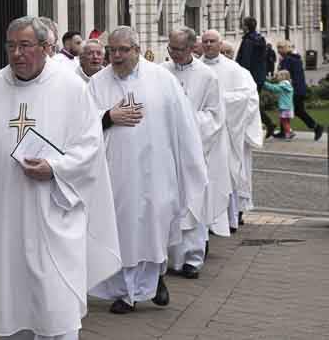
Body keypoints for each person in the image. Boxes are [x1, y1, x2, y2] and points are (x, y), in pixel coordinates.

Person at [0, 16, 121, 339]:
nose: (17, 53)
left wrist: (55, 168)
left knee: (56, 308)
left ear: (46, 48)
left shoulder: (71, 88)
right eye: (11, 46)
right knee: (10, 305)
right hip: (4, 218)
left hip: (52, 213)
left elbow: (89, 148)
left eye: (25, 45)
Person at [88, 26, 207, 315]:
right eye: (112, 50)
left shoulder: (162, 79)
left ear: (137, 50)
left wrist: (190, 163)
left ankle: (154, 278)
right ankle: (127, 292)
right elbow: (81, 124)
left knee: (153, 228)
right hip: (115, 173)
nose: (116, 56)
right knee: (123, 230)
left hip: (156, 170)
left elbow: (184, 124)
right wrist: (108, 116)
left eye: (123, 50)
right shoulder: (97, 83)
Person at [162, 27, 232, 278]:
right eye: (171, 48)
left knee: (193, 202)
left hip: (194, 151)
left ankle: (193, 258)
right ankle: (169, 257)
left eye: (179, 49)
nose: (174, 54)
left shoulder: (207, 76)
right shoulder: (162, 72)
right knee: (168, 203)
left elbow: (214, 115)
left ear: (193, 48)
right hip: (166, 150)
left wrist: (187, 121)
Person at [200, 30, 262, 231]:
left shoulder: (236, 70)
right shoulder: (196, 68)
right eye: (205, 41)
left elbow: (248, 98)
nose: (209, 45)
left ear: (220, 44)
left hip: (229, 133)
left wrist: (220, 102)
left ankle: (231, 218)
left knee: (228, 173)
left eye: (212, 41)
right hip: (204, 132)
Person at [236, 17, 277, 138]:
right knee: (253, 102)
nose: (241, 26)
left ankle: (267, 124)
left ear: (246, 27)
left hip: (250, 77)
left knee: (250, 103)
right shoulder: (260, 39)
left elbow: (246, 61)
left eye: (242, 24)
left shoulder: (248, 41)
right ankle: (267, 124)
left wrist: (240, 75)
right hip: (259, 76)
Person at [277, 40, 323, 141]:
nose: (278, 50)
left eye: (280, 48)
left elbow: (284, 75)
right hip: (299, 88)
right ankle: (284, 131)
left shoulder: (287, 60)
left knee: (296, 110)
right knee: (287, 108)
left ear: (285, 49)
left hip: (294, 90)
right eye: (278, 48)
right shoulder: (295, 58)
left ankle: (316, 127)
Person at [263, 70, 295, 139]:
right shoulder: (288, 84)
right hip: (289, 107)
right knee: (287, 121)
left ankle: (290, 132)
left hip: (284, 107)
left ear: (283, 77)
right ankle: (288, 134)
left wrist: (264, 83)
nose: (277, 77)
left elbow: (274, 88)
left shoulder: (283, 85)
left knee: (283, 121)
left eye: (278, 76)